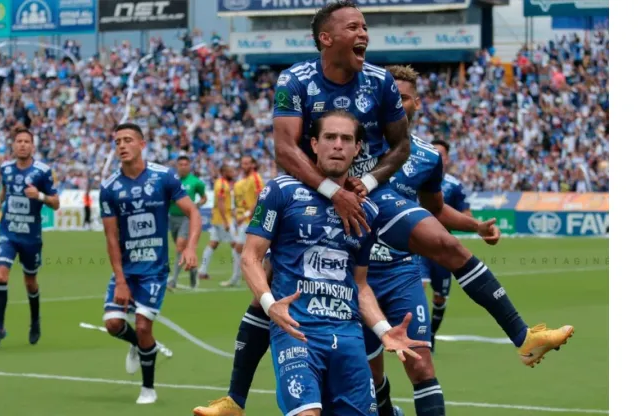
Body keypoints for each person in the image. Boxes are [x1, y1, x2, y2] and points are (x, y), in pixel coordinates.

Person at [193, 2, 411, 414]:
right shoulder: (295, 81)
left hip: (364, 195)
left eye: (366, 26)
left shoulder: (380, 81)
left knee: (380, 268)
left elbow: (402, 145)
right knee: (273, 281)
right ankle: (235, 399)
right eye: (354, 27)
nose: (364, 33)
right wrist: (332, 190)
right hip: (314, 191)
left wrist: (365, 184)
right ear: (326, 39)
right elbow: (283, 148)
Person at [361, 64, 574, 416]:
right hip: (359, 274)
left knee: (421, 368)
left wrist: (476, 226)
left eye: (405, 98)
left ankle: (524, 338)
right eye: (391, 97)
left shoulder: (428, 157)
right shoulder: (356, 141)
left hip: (401, 273)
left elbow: (436, 210)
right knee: (372, 378)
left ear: (416, 104)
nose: (397, 103)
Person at [241, 110, 427, 416]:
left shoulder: (367, 211)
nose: (337, 145)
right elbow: (251, 256)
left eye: (346, 139)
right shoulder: (281, 191)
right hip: (298, 333)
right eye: (329, 137)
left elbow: (360, 283)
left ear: (357, 149)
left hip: (349, 338)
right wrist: (269, 303)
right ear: (314, 144)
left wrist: (383, 330)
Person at [99, 123, 201, 404]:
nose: (122, 145)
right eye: (117, 141)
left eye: (128, 140)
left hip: (154, 270)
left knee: (144, 326)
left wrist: (191, 246)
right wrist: (120, 279)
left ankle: (148, 389)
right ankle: (140, 347)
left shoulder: (163, 177)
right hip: (126, 270)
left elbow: (193, 213)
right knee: (113, 324)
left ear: (141, 145)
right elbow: (110, 238)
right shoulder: (109, 188)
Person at [0, 127, 60, 349]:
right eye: (18, 141)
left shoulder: (43, 171)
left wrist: (39, 195)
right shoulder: (6, 168)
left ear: (32, 146)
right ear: (13, 145)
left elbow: (56, 203)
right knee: (0, 276)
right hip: (8, 233)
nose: (22, 144)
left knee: (30, 282)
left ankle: (35, 321)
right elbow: (4, 190)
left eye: (26, 141)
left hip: (31, 236)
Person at [421, 139, 470, 352]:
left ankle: (431, 334)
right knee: (417, 288)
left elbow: (466, 215)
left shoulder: (454, 186)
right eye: (434, 152)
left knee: (439, 298)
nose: (437, 156)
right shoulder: (416, 179)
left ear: (447, 158)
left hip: (442, 248)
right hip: (418, 245)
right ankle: (417, 335)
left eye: (441, 153)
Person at [222, 156, 265, 288]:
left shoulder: (256, 178)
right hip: (244, 221)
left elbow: (260, 197)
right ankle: (244, 277)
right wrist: (237, 213)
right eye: (242, 163)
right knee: (242, 249)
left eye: (247, 163)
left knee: (246, 249)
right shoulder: (242, 181)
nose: (244, 165)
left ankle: (255, 278)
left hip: (254, 220)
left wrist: (246, 214)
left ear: (252, 165)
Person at [168, 155, 207, 289]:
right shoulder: (171, 180)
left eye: (186, 164)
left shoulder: (196, 182)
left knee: (180, 246)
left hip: (187, 217)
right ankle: (193, 269)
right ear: (177, 166)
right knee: (183, 249)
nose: (183, 167)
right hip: (172, 217)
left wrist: (196, 206)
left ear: (189, 166)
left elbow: (204, 198)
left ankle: (173, 279)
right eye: (181, 164)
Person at [197, 164, 236, 281]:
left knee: (213, 243)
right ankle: (239, 273)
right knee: (236, 244)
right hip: (222, 220)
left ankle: (202, 271)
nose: (233, 173)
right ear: (225, 173)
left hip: (218, 219)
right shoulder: (222, 184)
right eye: (231, 171)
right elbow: (220, 203)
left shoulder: (220, 183)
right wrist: (226, 221)